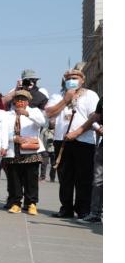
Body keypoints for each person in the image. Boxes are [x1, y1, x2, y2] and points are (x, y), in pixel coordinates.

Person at [45, 69, 100, 219]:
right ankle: (66, 208)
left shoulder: (90, 95)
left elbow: (94, 117)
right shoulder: (58, 95)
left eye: (75, 77)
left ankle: (83, 209)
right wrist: (65, 100)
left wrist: (77, 132)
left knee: (84, 177)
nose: (71, 80)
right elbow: (49, 113)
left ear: (82, 80)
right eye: (68, 78)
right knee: (64, 177)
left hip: (84, 141)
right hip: (61, 141)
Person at [3, 90, 46, 215]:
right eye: (18, 99)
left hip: (30, 150)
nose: (20, 102)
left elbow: (42, 122)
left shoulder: (34, 111)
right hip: (13, 150)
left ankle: (31, 203)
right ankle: (16, 203)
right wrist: (13, 138)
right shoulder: (8, 114)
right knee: (14, 179)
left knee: (31, 179)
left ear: (28, 101)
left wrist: (27, 114)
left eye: (23, 100)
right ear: (14, 101)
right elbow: (3, 132)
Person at [66, 98, 102, 223]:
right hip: (102, 146)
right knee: (98, 181)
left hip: (86, 144)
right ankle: (96, 214)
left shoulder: (90, 95)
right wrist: (99, 128)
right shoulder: (104, 99)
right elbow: (94, 118)